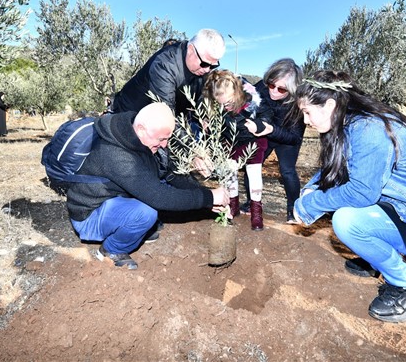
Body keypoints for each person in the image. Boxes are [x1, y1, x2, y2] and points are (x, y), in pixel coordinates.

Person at [293, 70, 406, 323]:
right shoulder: (354, 122)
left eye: (307, 112)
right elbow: (334, 169)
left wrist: (311, 204)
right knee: (347, 209)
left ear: (330, 105)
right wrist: (312, 188)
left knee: (347, 221)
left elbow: (361, 192)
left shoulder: (368, 129)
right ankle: (376, 257)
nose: (305, 120)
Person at [66, 102, 230, 270]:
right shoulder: (115, 154)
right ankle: (112, 250)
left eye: (167, 138)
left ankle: (134, 229)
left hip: (113, 202)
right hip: (89, 215)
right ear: (142, 129)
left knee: (161, 185)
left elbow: (173, 175)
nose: (165, 144)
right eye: (162, 139)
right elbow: (160, 197)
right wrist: (208, 197)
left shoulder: (146, 141)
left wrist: (207, 196)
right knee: (146, 212)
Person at [204, 70, 272, 231]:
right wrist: (208, 127)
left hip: (252, 140)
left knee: (254, 174)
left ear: (237, 92)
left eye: (228, 102)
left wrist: (259, 124)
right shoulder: (217, 105)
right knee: (230, 174)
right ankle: (233, 205)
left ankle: (256, 212)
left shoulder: (253, 99)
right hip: (230, 141)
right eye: (221, 104)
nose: (225, 107)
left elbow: (267, 114)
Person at [241, 58, 305, 223]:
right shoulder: (261, 87)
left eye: (282, 89)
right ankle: (252, 202)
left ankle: (293, 208)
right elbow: (248, 103)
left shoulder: (297, 105)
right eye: (271, 85)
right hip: (265, 133)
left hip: (287, 138)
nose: (274, 91)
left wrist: (272, 129)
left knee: (287, 171)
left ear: (292, 90)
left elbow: (294, 137)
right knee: (252, 164)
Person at [111, 28, 225, 116]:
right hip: (129, 114)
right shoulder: (164, 65)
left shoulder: (201, 68)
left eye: (213, 65)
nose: (207, 70)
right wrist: (194, 146)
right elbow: (166, 115)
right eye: (204, 63)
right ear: (190, 49)